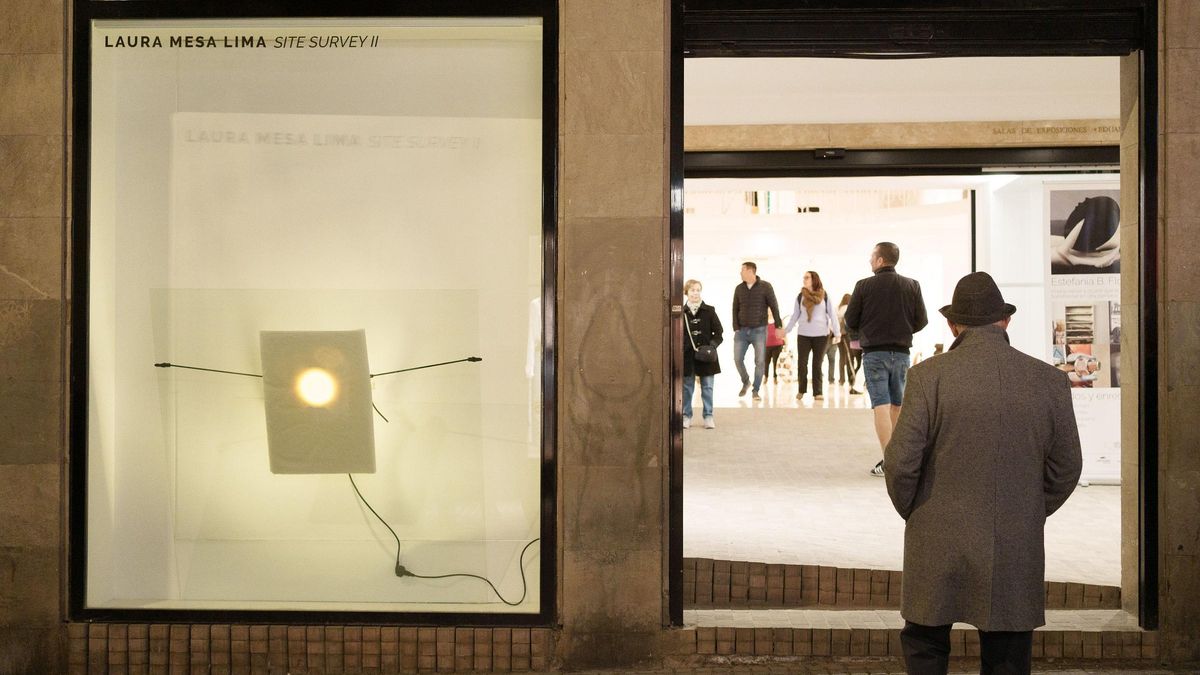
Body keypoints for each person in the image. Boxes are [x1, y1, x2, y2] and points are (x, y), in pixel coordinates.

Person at [884, 271, 1082, 675]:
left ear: (952, 325)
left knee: (925, 644)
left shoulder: (927, 377)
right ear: (1005, 320)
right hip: (1014, 537)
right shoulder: (1049, 381)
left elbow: (901, 462)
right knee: (1008, 653)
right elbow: (1067, 467)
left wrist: (917, 511)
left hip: (936, 535)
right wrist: (1028, 507)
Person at [845, 242, 928, 476]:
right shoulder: (912, 285)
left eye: (872, 257)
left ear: (880, 260)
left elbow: (850, 320)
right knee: (897, 405)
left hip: (874, 353)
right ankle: (898, 459)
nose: (870, 261)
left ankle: (889, 462)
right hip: (901, 353)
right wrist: (903, 329)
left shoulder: (864, 286)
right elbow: (921, 320)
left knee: (880, 404)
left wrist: (868, 328)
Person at [782, 270, 840, 401]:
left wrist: (837, 333)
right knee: (802, 363)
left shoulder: (824, 296)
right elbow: (795, 316)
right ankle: (801, 390)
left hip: (821, 335)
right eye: (804, 277)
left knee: (817, 364)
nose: (804, 279)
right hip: (803, 335)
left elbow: (832, 315)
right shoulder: (800, 296)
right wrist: (786, 330)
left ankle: (818, 392)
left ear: (814, 279)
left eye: (807, 277)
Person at [731, 261, 783, 401]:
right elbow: (735, 308)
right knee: (737, 359)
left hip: (759, 330)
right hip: (741, 331)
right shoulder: (739, 289)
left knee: (760, 361)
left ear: (750, 271)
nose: (740, 273)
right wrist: (735, 327)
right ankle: (746, 381)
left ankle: (756, 390)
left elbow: (774, 306)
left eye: (742, 270)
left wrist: (778, 326)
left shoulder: (766, 287)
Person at [682, 279, 723, 429]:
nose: (695, 293)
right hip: (687, 356)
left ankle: (708, 416)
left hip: (707, 356)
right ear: (686, 292)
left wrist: (711, 347)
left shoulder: (709, 310)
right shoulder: (680, 312)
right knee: (687, 388)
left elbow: (719, 333)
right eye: (692, 290)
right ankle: (686, 416)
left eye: (698, 290)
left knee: (707, 387)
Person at [834, 293, 856, 388]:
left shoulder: (838, 309)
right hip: (846, 335)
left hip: (839, 335)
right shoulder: (848, 308)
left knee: (841, 358)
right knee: (850, 357)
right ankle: (851, 379)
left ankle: (841, 380)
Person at [765, 309, 786, 384]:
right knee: (766, 362)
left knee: (776, 362)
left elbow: (783, 332)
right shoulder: (763, 321)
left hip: (777, 345)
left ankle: (775, 377)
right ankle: (766, 377)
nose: (770, 311)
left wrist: (786, 343)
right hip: (766, 345)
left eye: (771, 310)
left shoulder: (779, 320)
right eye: (768, 310)